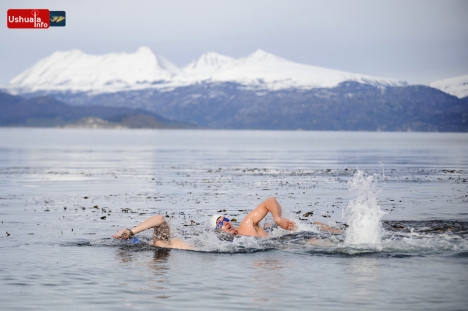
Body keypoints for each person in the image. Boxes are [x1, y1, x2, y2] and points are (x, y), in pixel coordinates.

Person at [112, 197, 341, 250]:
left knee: (316, 224)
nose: (226, 223)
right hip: (299, 249)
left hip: (299, 243)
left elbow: (270, 201)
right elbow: (160, 220)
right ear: (216, 231)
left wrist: (277, 218)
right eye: (220, 223)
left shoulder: (245, 230)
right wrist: (130, 231)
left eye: (226, 219)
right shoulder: (164, 244)